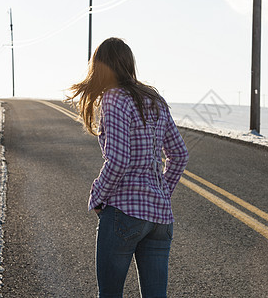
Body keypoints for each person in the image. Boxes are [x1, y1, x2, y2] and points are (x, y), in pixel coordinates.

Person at [66, 37, 189, 298]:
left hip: (124, 212)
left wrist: (97, 195)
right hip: (160, 218)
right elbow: (179, 154)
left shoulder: (114, 99)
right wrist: (161, 192)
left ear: (99, 67)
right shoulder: (154, 98)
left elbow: (120, 159)